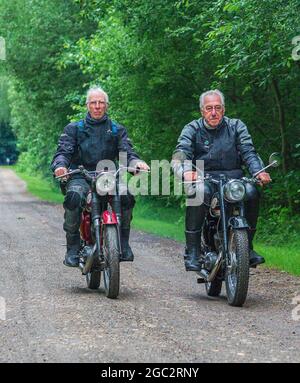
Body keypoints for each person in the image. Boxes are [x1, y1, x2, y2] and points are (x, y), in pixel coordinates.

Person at [173, 89, 271, 271]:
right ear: (202, 111)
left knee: (251, 192)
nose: (213, 112)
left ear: (223, 110)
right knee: (198, 193)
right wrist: (186, 171)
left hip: (234, 179)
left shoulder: (236, 126)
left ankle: (247, 247)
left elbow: (249, 151)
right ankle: (192, 251)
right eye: (209, 108)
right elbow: (181, 153)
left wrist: (258, 172)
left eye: (218, 108)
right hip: (204, 178)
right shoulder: (192, 129)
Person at [51, 86, 149, 267]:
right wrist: (60, 166)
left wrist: (136, 164)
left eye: (101, 103)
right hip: (80, 176)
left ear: (106, 106)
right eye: (93, 103)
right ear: (87, 105)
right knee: (73, 198)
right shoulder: (74, 129)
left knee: (126, 195)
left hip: (108, 176)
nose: (97, 106)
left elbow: (127, 153)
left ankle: (123, 243)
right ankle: (72, 247)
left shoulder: (116, 129)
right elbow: (63, 152)